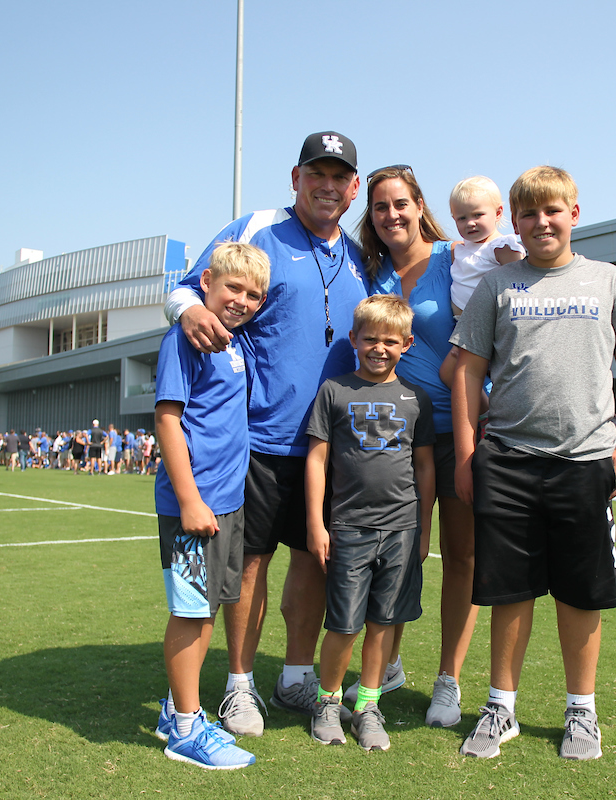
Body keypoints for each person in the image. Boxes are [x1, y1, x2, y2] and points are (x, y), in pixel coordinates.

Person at [164, 131, 368, 737]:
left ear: (353, 187)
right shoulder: (257, 227)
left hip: (328, 448)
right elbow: (186, 287)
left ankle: (296, 676)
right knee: (249, 568)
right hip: (256, 441)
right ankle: (239, 686)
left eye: (339, 177)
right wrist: (188, 310)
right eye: (316, 174)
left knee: (314, 562)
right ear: (296, 178)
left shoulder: (360, 254)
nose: (327, 186)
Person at [450, 166, 616, 761]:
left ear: (574, 213)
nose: (542, 222)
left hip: (587, 461)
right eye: (530, 213)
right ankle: (500, 709)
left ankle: (580, 712)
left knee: (581, 594)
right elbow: (466, 371)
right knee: (508, 592)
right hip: (509, 461)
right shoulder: (497, 286)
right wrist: (467, 454)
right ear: (513, 221)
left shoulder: (607, 279)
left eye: (553, 211)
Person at [361, 165, 478, 726]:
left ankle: (449, 682)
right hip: (391, 438)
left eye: (400, 203)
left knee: (462, 557)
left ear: (419, 204)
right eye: (381, 207)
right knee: (399, 555)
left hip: (456, 431)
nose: (392, 215)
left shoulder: (456, 257)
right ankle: (388, 665)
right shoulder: (369, 269)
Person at [152, 241, 269, 770]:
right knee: (191, 612)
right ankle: (185, 730)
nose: (242, 300)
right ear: (206, 285)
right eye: (233, 289)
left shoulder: (234, 343)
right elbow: (168, 420)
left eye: (254, 294)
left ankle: (176, 707)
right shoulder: (187, 338)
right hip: (196, 507)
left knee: (209, 609)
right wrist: (189, 499)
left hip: (227, 504)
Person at [304, 295, 435, 751]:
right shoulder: (334, 391)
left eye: (391, 341)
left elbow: (424, 469)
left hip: (401, 529)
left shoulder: (416, 398)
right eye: (371, 339)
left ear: (408, 344)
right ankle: (327, 702)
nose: (380, 348)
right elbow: (317, 460)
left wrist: (424, 526)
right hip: (349, 528)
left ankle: (369, 706)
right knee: (343, 624)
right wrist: (316, 525)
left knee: (383, 622)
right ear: (353, 339)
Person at [447, 176, 525, 318]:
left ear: (498, 213)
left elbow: (519, 284)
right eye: (462, 218)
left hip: (491, 322)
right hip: (462, 326)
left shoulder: (501, 247)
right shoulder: (460, 249)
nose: (470, 223)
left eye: (477, 215)